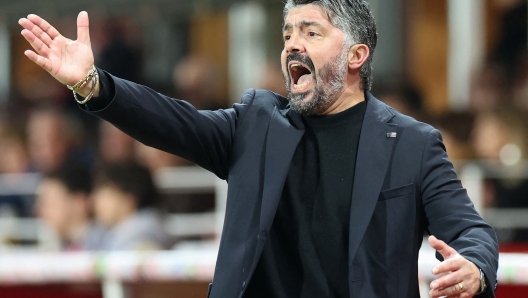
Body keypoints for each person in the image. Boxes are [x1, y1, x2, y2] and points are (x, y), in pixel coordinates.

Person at [18, 1, 498, 297]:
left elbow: (471, 230)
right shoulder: (256, 123)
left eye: (311, 32)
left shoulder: (412, 143)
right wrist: (93, 82)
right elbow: (171, 121)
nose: (292, 44)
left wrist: (474, 269)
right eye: (287, 33)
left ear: (356, 55)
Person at [89, 162, 171, 250]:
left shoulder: (145, 235)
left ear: (130, 199)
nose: (96, 202)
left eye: (106, 195)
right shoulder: (108, 233)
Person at [35, 165, 95, 251]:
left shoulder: (107, 247)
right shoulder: (53, 247)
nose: (39, 211)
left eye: (50, 203)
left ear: (79, 202)